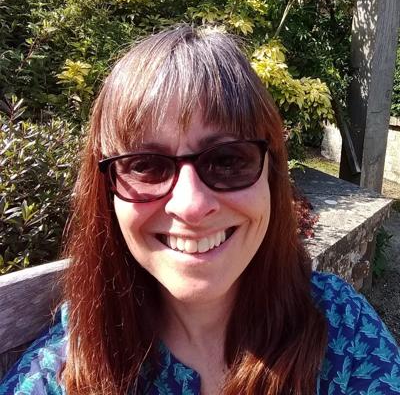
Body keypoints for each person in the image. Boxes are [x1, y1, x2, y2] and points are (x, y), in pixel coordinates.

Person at [1, 25, 399, 395]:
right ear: (106, 193)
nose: (191, 206)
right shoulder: (61, 372)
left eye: (227, 160)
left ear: (271, 174)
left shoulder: (341, 329)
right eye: (146, 166)